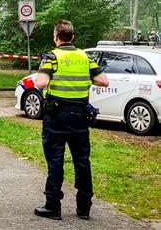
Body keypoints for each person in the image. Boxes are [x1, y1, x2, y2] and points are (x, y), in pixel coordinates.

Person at [34, 20, 109, 221]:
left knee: (55, 160)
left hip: (57, 117)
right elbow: (104, 81)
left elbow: (41, 82)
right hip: (80, 117)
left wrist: (46, 78)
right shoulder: (85, 57)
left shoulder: (51, 57)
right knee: (82, 161)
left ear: (56, 37)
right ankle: (84, 208)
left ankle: (53, 207)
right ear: (73, 37)